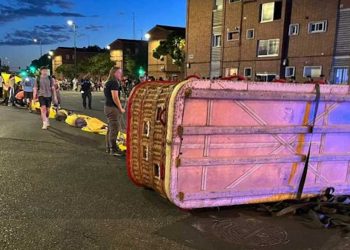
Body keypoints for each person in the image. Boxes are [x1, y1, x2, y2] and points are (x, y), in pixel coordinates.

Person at [104, 66, 126, 156]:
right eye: (119, 72)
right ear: (114, 73)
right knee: (114, 129)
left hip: (108, 107)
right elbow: (115, 97)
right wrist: (120, 108)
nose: (121, 74)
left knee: (110, 128)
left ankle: (109, 147)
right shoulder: (114, 82)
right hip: (112, 108)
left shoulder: (108, 82)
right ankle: (113, 149)